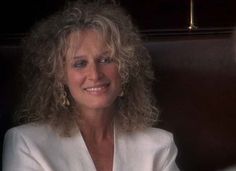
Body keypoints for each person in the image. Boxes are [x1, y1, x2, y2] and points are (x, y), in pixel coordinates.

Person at [2, 1, 180, 171]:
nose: (95, 74)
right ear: (59, 75)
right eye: (79, 63)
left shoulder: (159, 145)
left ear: (125, 68)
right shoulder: (26, 143)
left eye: (106, 60)